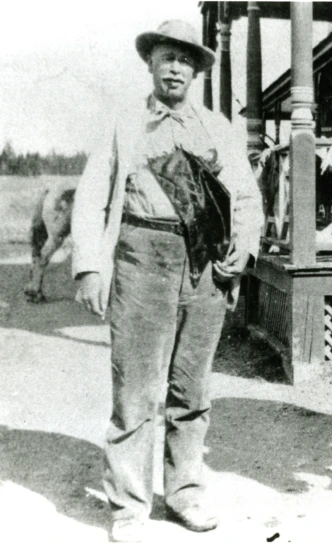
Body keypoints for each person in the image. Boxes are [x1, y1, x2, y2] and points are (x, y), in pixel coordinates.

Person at [70, 20, 263, 542]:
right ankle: (130, 506)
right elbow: (92, 194)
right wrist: (90, 265)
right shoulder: (124, 122)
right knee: (135, 390)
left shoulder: (218, 127)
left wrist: (240, 253)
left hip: (204, 267)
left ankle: (185, 494)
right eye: (166, 58)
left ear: (198, 70)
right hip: (140, 259)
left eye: (186, 60)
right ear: (150, 64)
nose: (176, 67)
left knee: (191, 389)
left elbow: (244, 196)